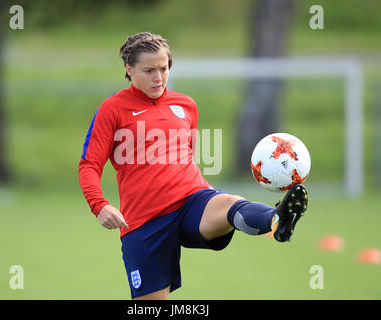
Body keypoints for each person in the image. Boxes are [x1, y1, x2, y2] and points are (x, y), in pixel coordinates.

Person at [78, 32, 309, 300]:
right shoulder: (112, 109)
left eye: (164, 69)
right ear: (129, 70)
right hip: (144, 220)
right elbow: (88, 165)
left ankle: (277, 220)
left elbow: (186, 154)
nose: (159, 77)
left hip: (191, 199)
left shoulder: (185, 105)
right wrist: (99, 205)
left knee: (229, 204)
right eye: (149, 70)